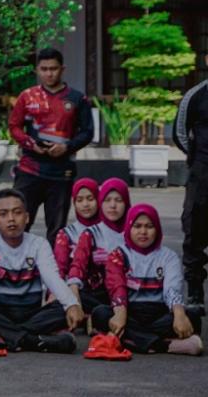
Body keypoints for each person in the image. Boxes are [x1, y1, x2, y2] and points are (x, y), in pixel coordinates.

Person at [0, 189, 84, 353]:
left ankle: (8, 337)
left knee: (63, 308)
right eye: (3, 214)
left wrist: (72, 304)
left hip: (32, 316)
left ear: (27, 217)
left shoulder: (39, 244)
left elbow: (52, 278)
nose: (11, 219)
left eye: (17, 213)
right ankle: (32, 340)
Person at [9, 48, 94, 244]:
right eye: (44, 69)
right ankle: (16, 268)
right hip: (29, 169)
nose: (49, 73)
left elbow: (88, 132)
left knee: (57, 229)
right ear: (37, 70)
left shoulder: (77, 98)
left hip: (62, 172)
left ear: (62, 69)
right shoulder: (27, 96)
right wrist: (31, 144)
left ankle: (54, 270)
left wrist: (68, 147)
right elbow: (14, 126)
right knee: (17, 222)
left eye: (53, 69)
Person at [93, 204, 203, 355]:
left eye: (149, 226)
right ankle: (166, 345)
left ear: (157, 229)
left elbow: (172, 288)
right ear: (129, 229)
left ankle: (127, 340)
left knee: (193, 316)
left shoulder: (168, 256)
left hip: (159, 312)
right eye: (137, 226)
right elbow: (116, 286)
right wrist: (120, 314)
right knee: (100, 314)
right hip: (128, 311)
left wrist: (179, 315)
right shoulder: (118, 254)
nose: (143, 232)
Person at [66, 178, 131, 312]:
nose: (112, 206)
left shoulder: (135, 232)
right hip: (96, 297)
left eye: (118, 200)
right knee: (65, 300)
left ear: (126, 202)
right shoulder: (90, 233)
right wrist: (73, 291)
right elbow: (78, 264)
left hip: (130, 297)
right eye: (107, 200)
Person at [174, 56, 208, 308]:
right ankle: (195, 291)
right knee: (194, 229)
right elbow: (179, 132)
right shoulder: (195, 95)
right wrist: (197, 158)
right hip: (201, 174)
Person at [53, 178, 100, 280]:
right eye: (79, 200)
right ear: (74, 203)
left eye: (90, 199)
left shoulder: (107, 230)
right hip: (76, 290)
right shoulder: (66, 234)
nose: (85, 204)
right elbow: (59, 268)